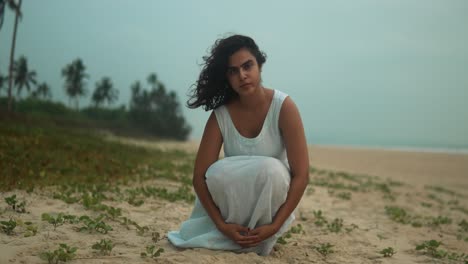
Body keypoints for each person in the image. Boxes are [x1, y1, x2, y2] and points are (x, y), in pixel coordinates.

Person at [167, 34, 309, 256]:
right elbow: (199, 177)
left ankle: (259, 236)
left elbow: (301, 175)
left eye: (247, 66)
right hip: (229, 212)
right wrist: (222, 226)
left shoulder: (284, 107)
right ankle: (233, 233)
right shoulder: (221, 116)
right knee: (214, 173)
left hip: (270, 210)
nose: (242, 75)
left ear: (259, 65)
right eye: (233, 71)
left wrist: (274, 226)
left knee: (273, 170)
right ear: (227, 77)